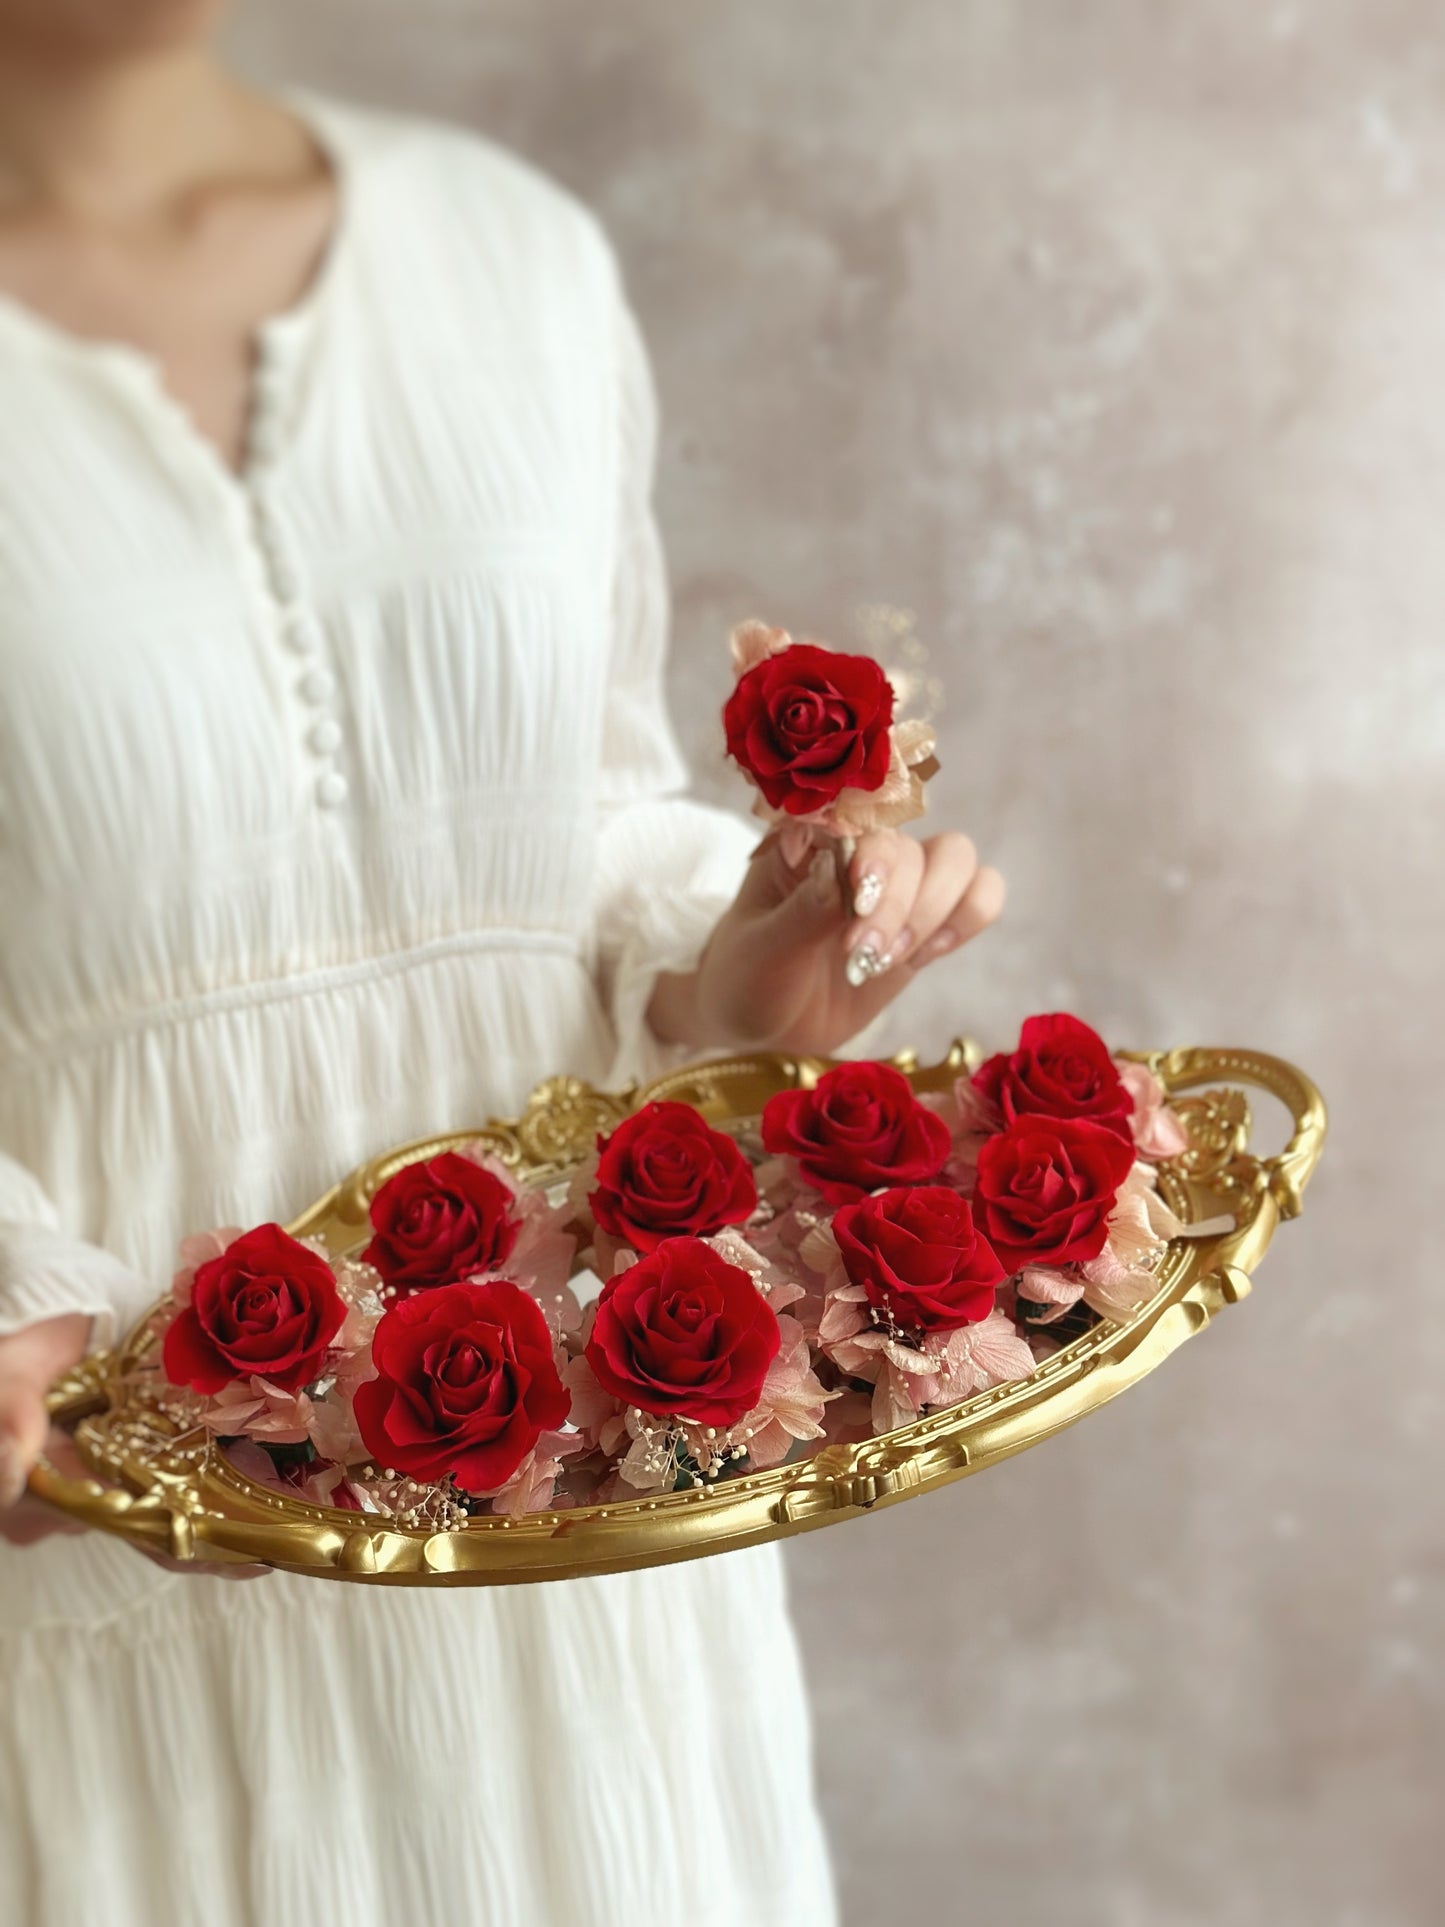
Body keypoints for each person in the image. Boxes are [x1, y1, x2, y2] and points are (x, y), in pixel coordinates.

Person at [0, 5, 1006, 1923]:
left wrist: (723, 985)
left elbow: (583, 821)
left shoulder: (505, 251)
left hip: (593, 1559)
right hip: (128, 1590)